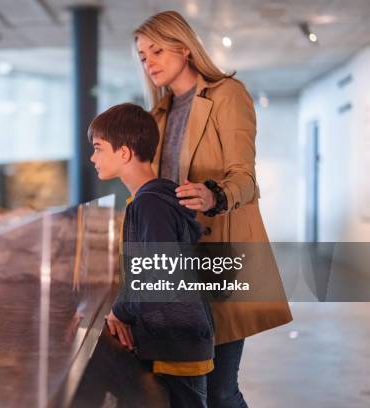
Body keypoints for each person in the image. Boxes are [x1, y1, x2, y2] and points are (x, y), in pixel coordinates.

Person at [133, 11, 292, 407]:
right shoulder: (158, 115)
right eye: (141, 56)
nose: (148, 61)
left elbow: (246, 180)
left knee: (221, 392)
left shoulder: (227, 94)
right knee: (182, 393)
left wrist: (213, 195)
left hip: (218, 260)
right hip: (174, 269)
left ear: (184, 48)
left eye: (156, 50)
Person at [89, 103, 215, 407]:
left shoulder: (150, 205)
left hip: (176, 340)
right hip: (177, 337)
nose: (93, 158)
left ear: (124, 152)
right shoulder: (153, 198)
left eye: (98, 148)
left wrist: (121, 311)